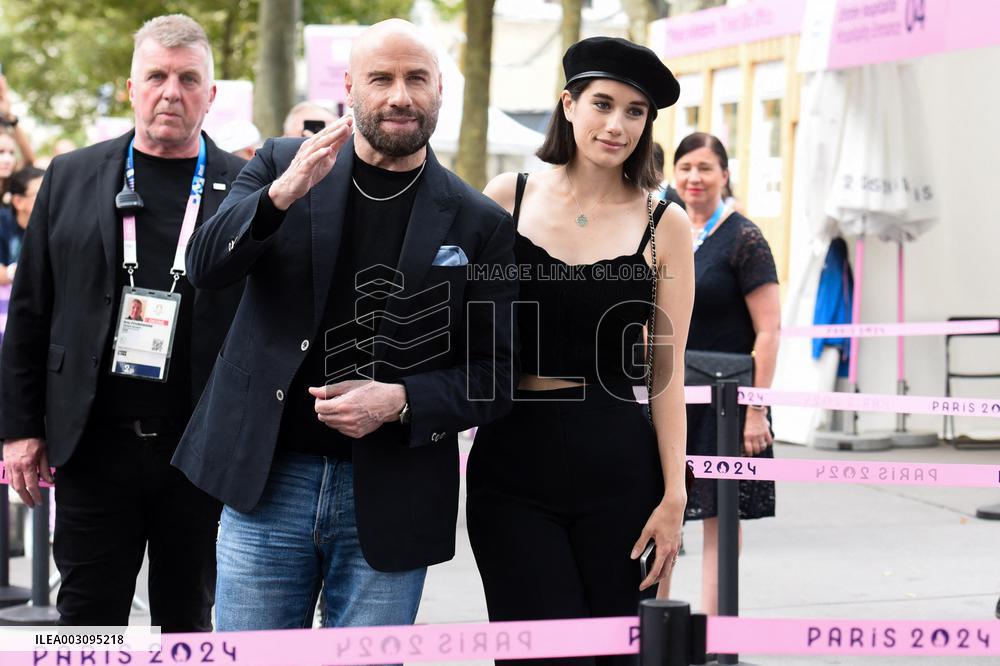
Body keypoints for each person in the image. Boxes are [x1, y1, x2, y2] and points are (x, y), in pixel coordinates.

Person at [171, 18, 517, 632]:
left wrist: (401, 400)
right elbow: (205, 266)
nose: (400, 96)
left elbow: (496, 375)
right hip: (267, 480)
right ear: (351, 87)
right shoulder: (282, 163)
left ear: (440, 89)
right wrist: (279, 196)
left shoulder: (478, 220)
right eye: (381, 78)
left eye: (417, 79)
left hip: (394, 496)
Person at [0, 14, 246, 629]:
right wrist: (20, 430)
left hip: (199, 450)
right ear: (131, 88)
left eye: (189, 79)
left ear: (210, 94)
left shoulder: (246, 189)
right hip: (92, 446)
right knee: (88, 621)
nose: (172, 92)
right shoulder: (70, 176)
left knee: (187, 621)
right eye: (156, 76)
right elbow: (31, 311)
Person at [467, 36, 694, 666]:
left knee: (618, 656)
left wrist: (674, 495)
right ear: (568, 105)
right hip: (512, 467)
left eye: (635, 111)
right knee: (537, 657)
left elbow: (667, 372)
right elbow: (467, 329)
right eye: (602, 104)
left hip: (620, 468)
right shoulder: (506, 197)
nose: (617, 125)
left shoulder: (666, 224)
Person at [656, 132, 780, 614]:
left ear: (724, 175)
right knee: (657, 511)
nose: (694, 177)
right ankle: (655, 626)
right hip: (667, 394)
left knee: (719, 520)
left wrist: (756, 410)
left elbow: (768, 331)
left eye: (706, 168)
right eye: (686, 167)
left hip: (727, 403)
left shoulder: (744, 238)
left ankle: (713, 630)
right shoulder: (662, 228)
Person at [0, 166, 43, 285]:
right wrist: (17, 271)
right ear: (18, 202)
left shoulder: (57, 225)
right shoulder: (3, 223)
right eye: (41, 194)